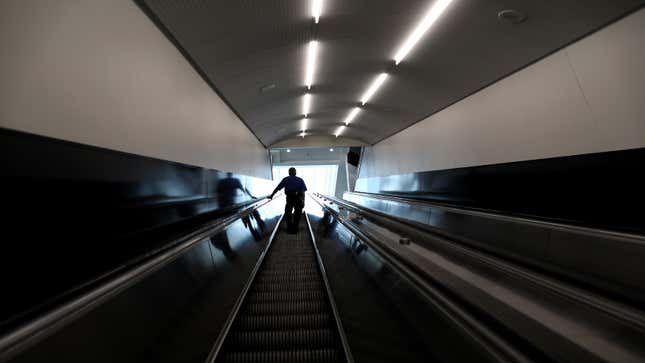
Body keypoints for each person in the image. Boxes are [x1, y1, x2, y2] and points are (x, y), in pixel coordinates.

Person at [269, 167, 307, 233]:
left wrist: (272, 195)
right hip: (298, 198)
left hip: (290, 198)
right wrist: (303, 201)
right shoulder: (300, 180)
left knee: (288, 213)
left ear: (289, 173)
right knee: (297, 214)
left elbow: (278, 188)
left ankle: (289, 229)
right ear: (295, 172)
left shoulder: (286, 179)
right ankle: (295, 229)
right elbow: (303, 192)